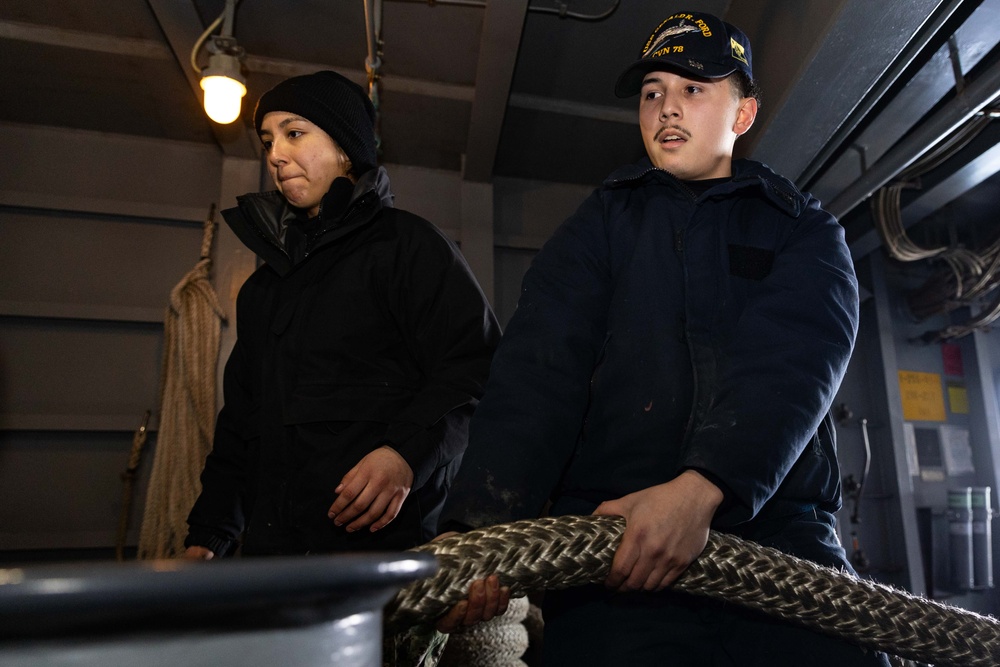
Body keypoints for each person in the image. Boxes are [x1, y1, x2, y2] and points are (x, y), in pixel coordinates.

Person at [436, 11, 890, 667]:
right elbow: (538, 374)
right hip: (613, 543)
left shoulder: (801, 229)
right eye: (652, 92)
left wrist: (702, 488)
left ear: (743, 115)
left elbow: (794, 359)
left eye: (693, 89)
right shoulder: (599, 225)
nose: (666, 109)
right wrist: (476, 528)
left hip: (777, 533)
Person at [183, 70, 500, 559]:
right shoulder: (263, 289)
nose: (275, 155)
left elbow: (475, 368)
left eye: (294, 133)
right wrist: (209, 536)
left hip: (388, 558)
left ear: (346, 149)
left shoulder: (409, 247)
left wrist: (404, 455)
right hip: (276, 565)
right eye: (268, 141)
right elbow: (241, 425)